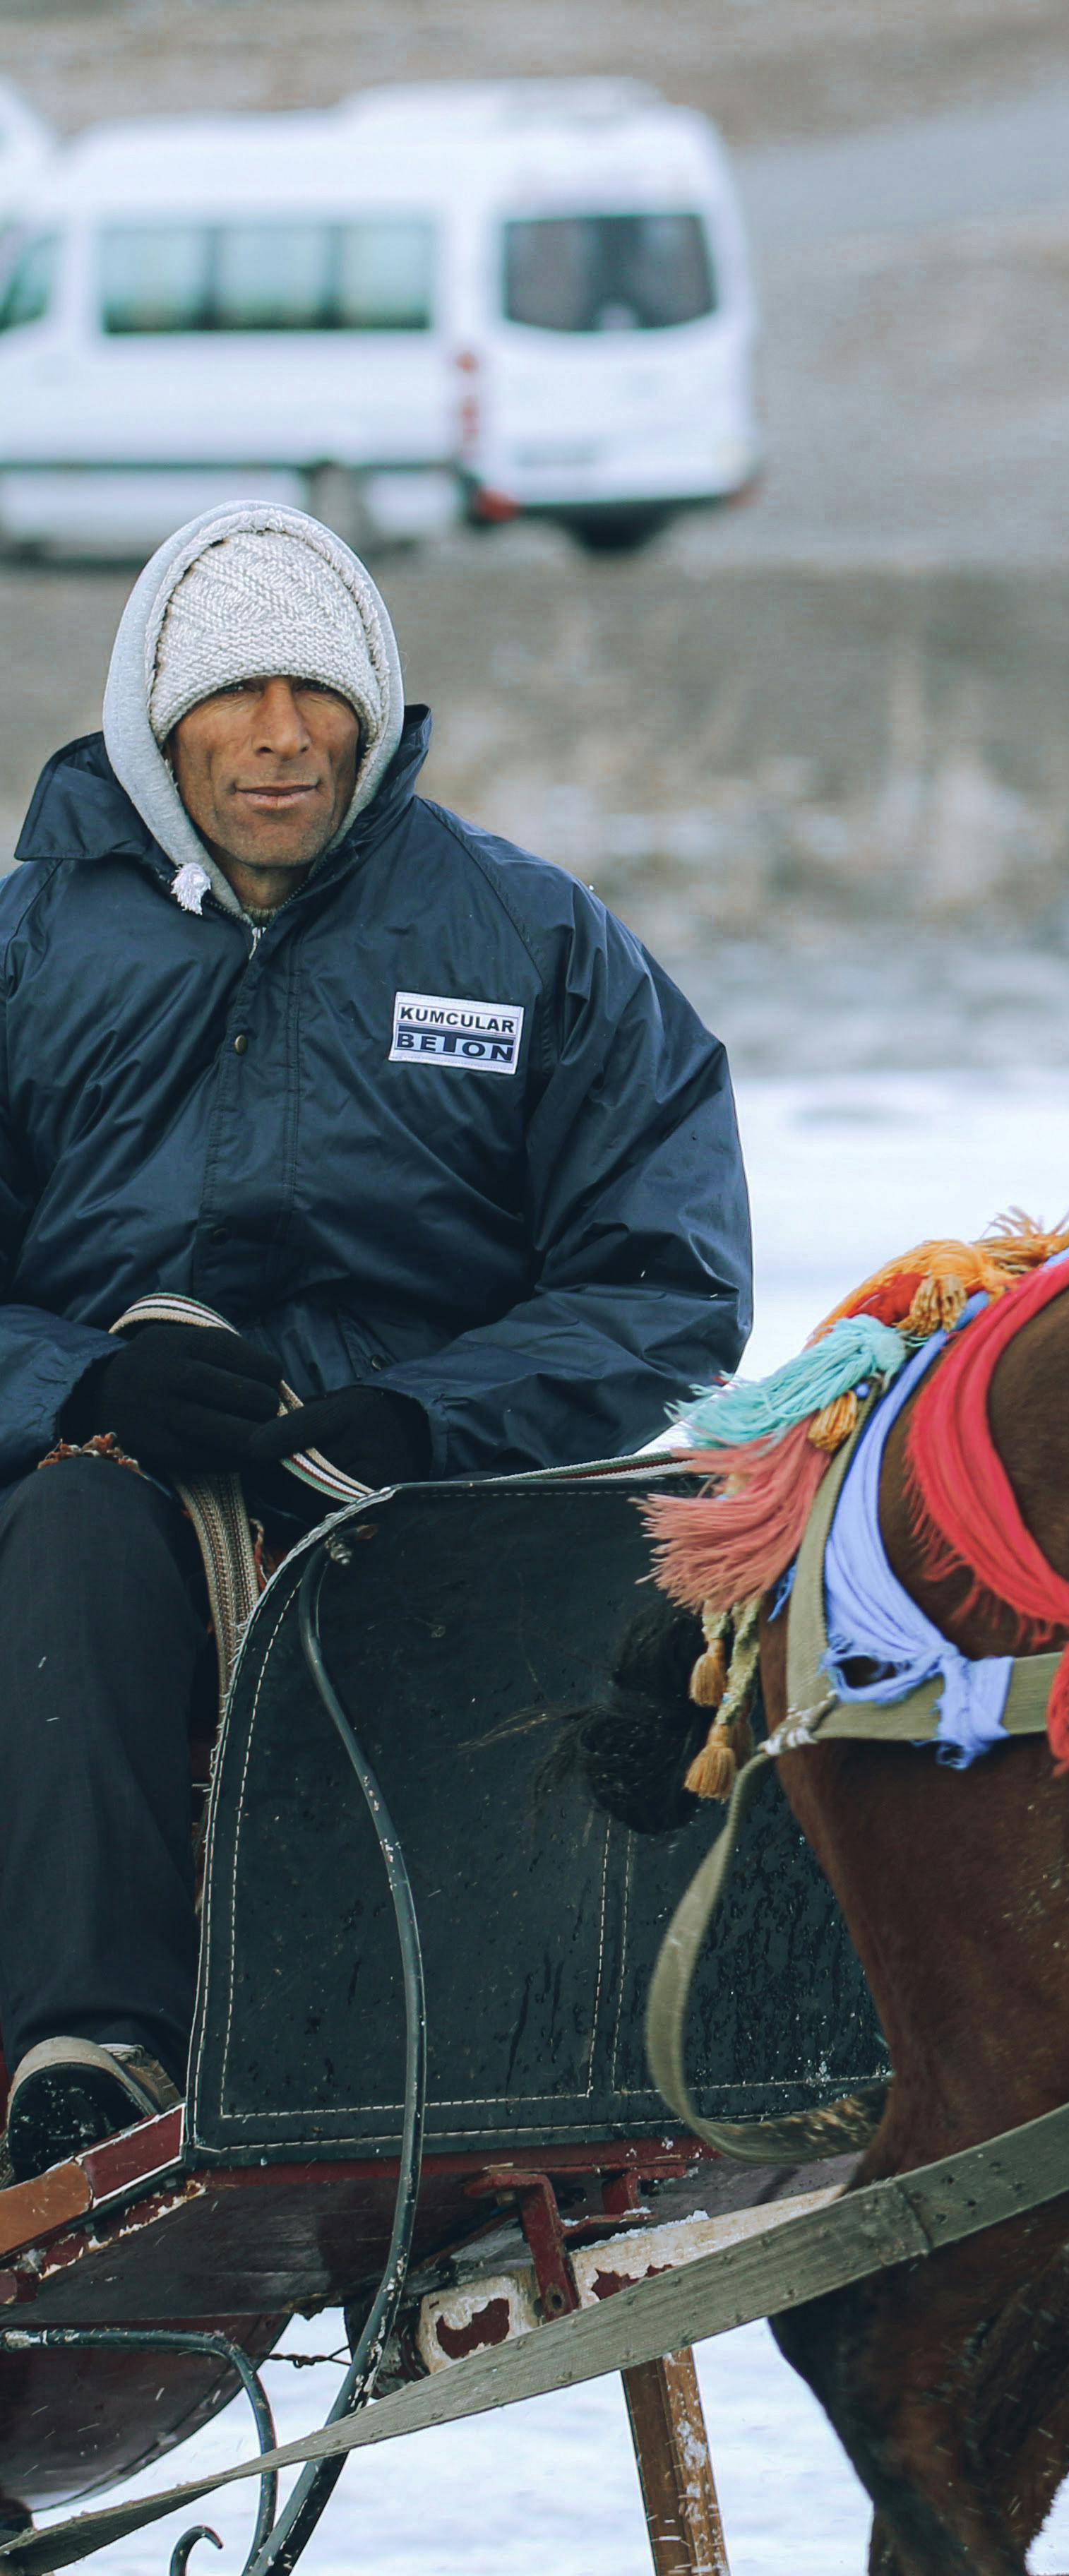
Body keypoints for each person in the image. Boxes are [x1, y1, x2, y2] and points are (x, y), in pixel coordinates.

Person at [0, 504, 751, 2182]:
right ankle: (88, 2052)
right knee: (72, 1533)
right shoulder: (28, 949)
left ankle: (602, 2023)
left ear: (375, 707)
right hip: (97, 1496)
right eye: (236, 692)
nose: (282, 735)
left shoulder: (530, 941)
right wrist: (76, 1382)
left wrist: (426, 1416)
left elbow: (669, 1272)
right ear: (154, 717)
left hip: (431, 1505)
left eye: (317, 690)